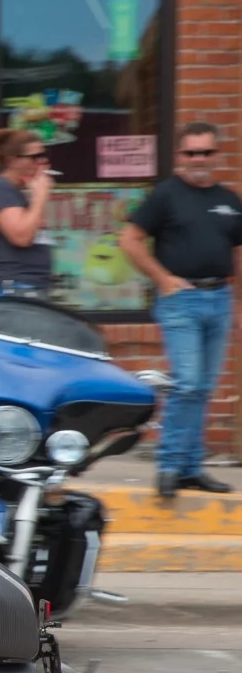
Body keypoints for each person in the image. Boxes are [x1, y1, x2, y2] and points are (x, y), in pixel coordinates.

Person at [119, 121, 242, 499]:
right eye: (191, 152)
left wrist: (236, 300)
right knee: (187, 383)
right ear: (179, 156)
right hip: (181, 302)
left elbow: (237, 251)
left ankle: (190, 468)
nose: (198, 159)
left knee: (203, 389)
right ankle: (170, 465)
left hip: (219, 299)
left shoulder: (229, 200)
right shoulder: (165, 196)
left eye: (205, 152)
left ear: (216, 155)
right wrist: (164, 278)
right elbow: (129, 240)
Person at [0, 128, 55, 299]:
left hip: (31, 288)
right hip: (13, 288)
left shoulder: (19, 193)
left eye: (44, 155)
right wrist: (40, 196)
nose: (41, 162)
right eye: (34, 157)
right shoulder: (1, 189)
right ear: (12, 161)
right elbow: (21, 237)